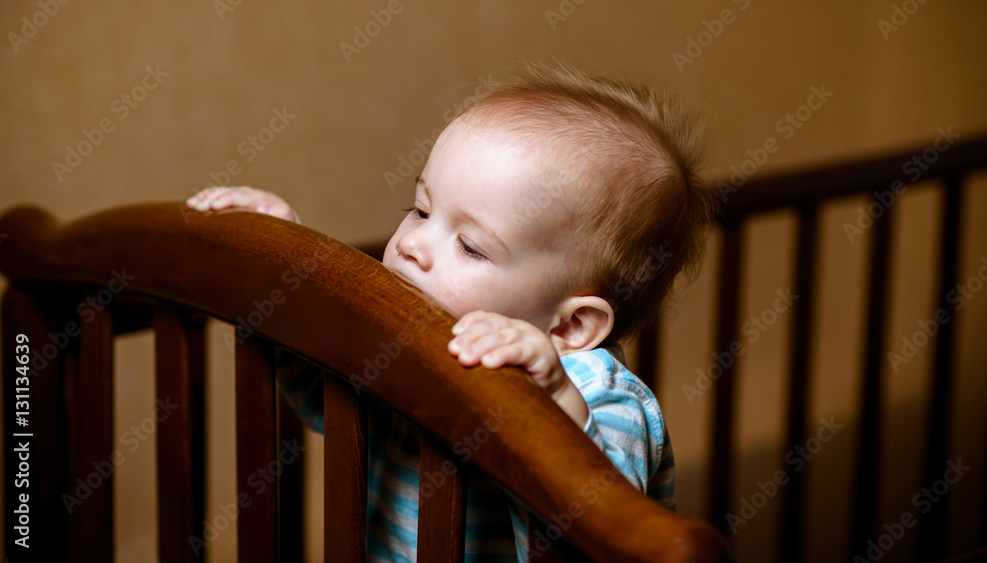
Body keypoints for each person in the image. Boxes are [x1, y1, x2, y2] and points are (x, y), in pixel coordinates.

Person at [185, 58, 716, 562]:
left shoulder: (600, 396)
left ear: (570, 325)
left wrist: (554, 401)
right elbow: (328, 404)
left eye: (471, 247)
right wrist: (283, 269)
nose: (413, 244)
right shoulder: (407, 340)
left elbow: (607, 536)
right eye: (420, 209)